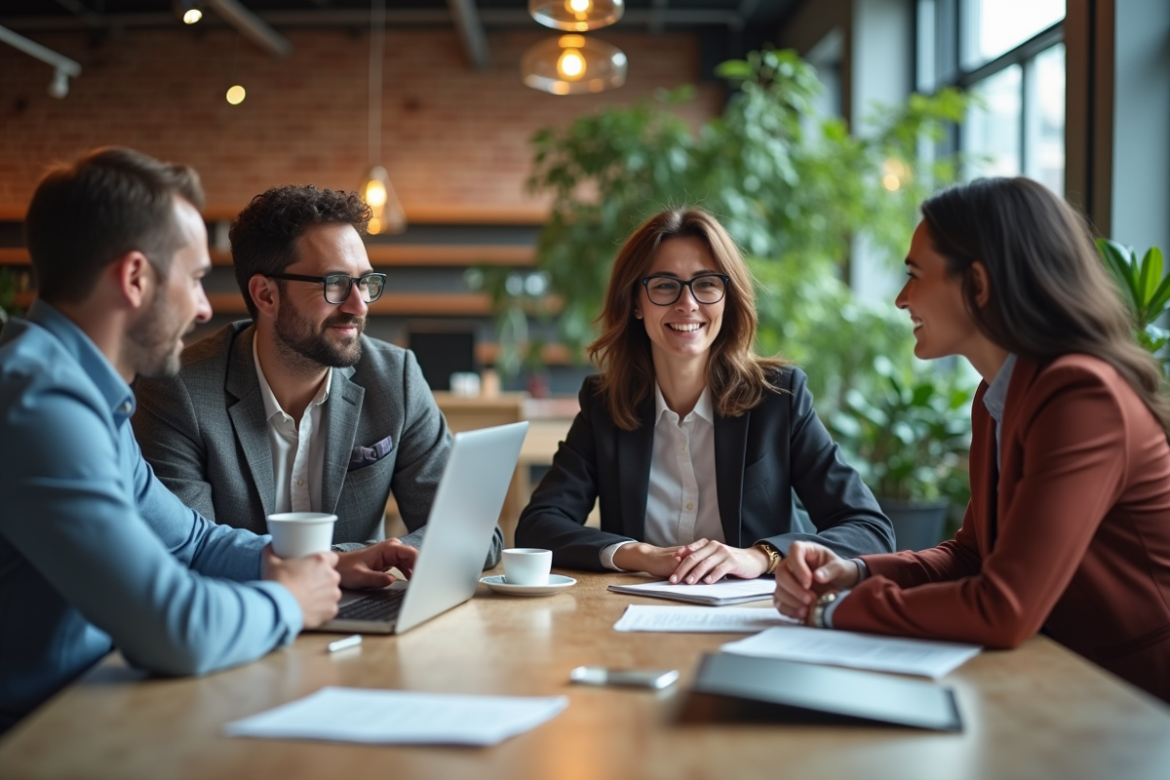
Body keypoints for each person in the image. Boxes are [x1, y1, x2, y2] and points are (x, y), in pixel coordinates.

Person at [0, 148, 417, 733]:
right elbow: (174, 628)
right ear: (135, 278)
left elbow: (189, 543)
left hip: (93, 709)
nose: (203, 309)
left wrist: (319, 566)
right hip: (40, 736)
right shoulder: (39, 407)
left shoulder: (83, 396)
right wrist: (291, 601)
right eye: (195, 279)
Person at [773, 177, 1170, 703]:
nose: (900, 298)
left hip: (1135, 702)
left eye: (915, 275)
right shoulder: (1000, 394)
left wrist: (832, 611)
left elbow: (1004, 608)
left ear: (978, 284)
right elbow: (973, 556)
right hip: (1059, 683)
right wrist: (853, 572)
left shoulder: (1082, 395)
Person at [514, 208, 894, 583]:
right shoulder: (605, 404)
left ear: (727, 299)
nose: (688, 303)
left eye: (706, 283)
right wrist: (639, 554)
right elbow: (538, 526)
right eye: (664, 284)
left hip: (757, 618)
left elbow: (870, 530)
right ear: (635, 302)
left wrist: (759, 557)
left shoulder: (779, 398)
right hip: (636, 616)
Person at [132, 185, 502, 567]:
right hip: (246, 617)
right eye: (335, 283)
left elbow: (476, 536)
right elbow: (182, 556)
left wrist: (359, 558)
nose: (358, 305)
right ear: (266, 296)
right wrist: (338, 567)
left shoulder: (395, 378)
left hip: (368, 616)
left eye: (365, 282)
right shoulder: (179, 390)